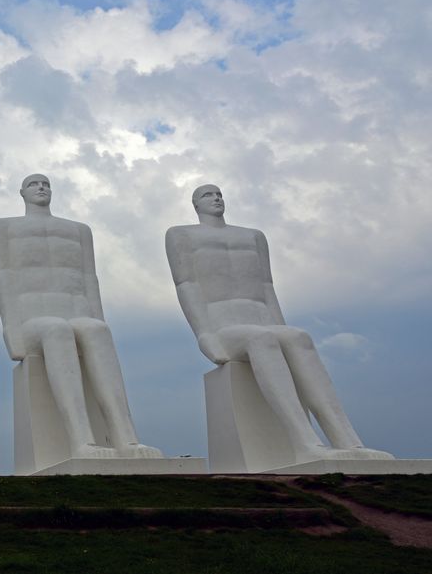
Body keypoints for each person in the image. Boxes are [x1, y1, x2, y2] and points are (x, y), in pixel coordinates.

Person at [165, 183, 392, 463]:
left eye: (219, 194)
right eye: (207, 195)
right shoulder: (181, 235)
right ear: (195, 205)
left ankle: (348, 440)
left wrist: (281, 327)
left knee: (299, 338)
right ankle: (305, 442)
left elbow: (266, 286)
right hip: (224, 326)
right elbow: (186, 285)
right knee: (261, 339)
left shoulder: (253, 237)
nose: (216, 198)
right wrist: (204, 334)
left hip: (261, 319)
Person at [0, 174, 161, 460]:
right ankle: (83, 440)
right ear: (22, 193)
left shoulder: (78, 230)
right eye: (34, 184)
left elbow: (89, 279)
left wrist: (99, 318)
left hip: (77, 316)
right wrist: (11, 331)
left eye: (45, 183)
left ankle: (127, 439)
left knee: (97, 330)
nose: (41, 187)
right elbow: (3, 278)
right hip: (34, 323)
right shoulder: (4, 228)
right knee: (56, 329)